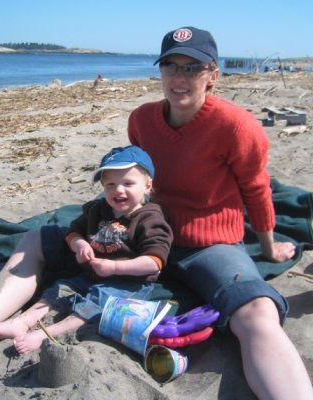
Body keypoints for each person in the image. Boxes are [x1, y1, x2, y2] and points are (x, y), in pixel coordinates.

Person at [127, 26, 313, 399]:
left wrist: (268, 246)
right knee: (44, 244)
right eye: (170, 67)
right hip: (151, 234)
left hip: (209, 244)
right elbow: (139, 177)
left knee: (257, 311)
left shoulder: (237, 126)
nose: (179, 78)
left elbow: (257, 191)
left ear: (213, 75)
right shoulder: (141, 120)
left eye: (192, 68)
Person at [0, 145, 172, 354]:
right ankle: (24, 320)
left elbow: (154, 261)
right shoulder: (98, 209)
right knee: (60, 289)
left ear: (147, 186)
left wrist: (115, 267)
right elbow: (73, 231)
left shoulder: (150, 218)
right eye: (110, 184)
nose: (118, 190)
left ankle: (45, 333)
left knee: (93, 306)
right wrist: (78, 243)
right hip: (92, 273)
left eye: (128, 183)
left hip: (127, 283)